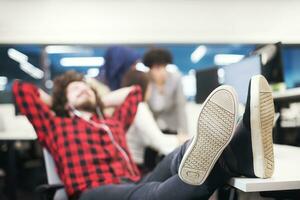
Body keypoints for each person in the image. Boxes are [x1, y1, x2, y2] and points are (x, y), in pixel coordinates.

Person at [13, 71, 275, 200]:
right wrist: (62, 100)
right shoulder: (53, 123)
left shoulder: (110, 121)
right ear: (62, 100)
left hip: (132, 179)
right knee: (152, 193)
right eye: (75, 90)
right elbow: (21, 90)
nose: (82, 89)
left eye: (85, 87)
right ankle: (241, 149)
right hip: (90, 191)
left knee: (184, 150)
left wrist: (97, 98)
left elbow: (134, 94)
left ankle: (241, 148)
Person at [121, 69, 187, 171]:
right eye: (150, 84)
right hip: (135, 167)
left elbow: (149, 140)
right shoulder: (139, 108)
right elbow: (160, 143)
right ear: (144, 86)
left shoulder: (128, 106)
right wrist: (182, 140)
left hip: (131, 165)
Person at [143, 48, 188, 135]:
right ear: (150, 69)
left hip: (171, 128)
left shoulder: (176, 79)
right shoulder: (146, 80)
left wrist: (184, 133)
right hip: (152, 130)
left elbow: (181, 106)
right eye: (156, 68)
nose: (161, 71)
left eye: (163, 66)